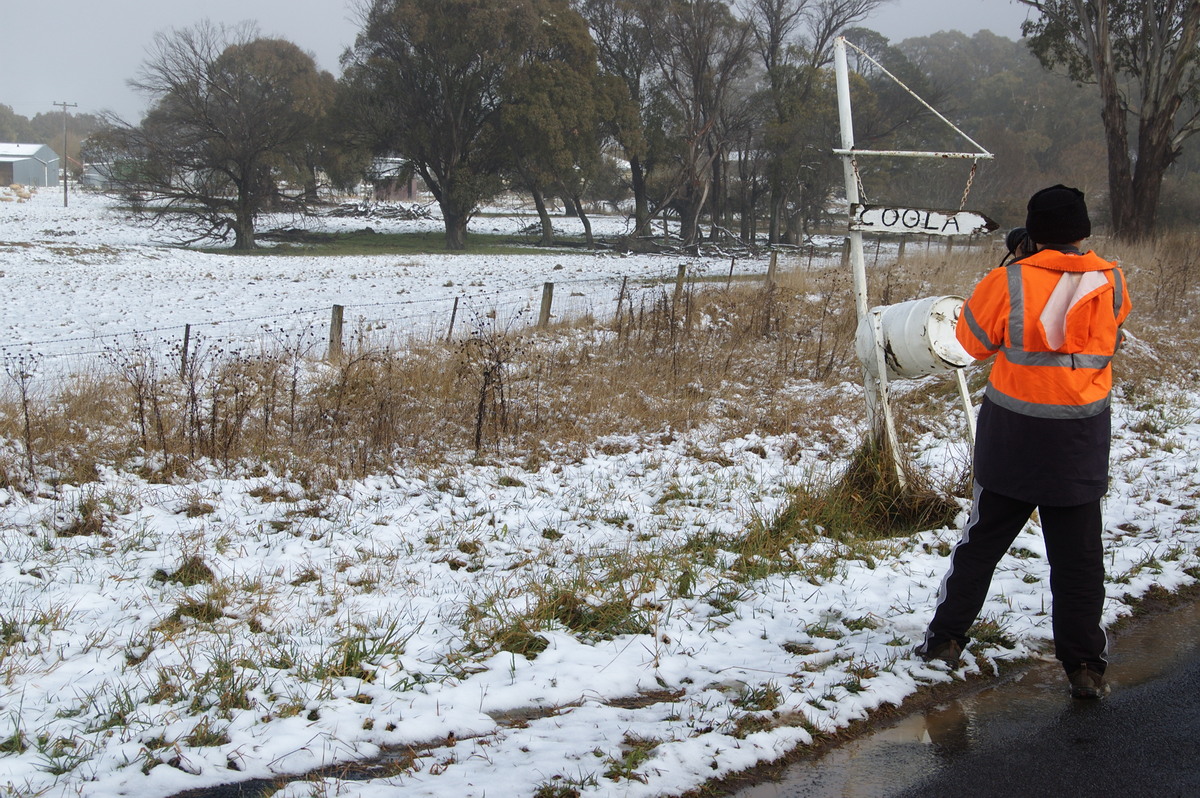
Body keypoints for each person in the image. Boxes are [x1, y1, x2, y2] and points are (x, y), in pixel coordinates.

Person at [915, 184, 1131, 699]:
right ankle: (1083, 668)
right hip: (1078, 440)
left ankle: (945, 642)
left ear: (1032, 233)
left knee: (981, 545)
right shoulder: (1112, 281)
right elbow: (1110, 336)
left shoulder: (1008, 280)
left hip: (1013, 437)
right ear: (1084, 232)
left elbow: (969, 342)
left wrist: (1010, 268)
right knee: (1078, 561)